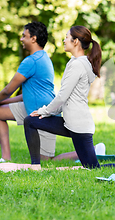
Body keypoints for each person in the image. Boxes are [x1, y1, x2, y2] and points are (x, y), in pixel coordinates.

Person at [23, 26, 101, 169]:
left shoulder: (78, 64)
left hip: (78, 126)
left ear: (76, 41)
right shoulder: (76, 62)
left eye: (66, 37)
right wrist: (45, 113)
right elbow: (65, 98)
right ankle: (35, 166)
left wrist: (44, 111)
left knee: (92, 167)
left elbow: (62, 96)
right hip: (71, 122)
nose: (64, 40)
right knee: (30, 121)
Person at [0, 21, 58, 162]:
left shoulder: (32, 61)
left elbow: (8, 89)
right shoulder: (43, 57)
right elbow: (25, 95)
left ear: (33, 38)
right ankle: (5, 158)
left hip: (44, 113)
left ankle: (92, 149)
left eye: (24, 36)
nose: (21, 39)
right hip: (30, 108)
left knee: (47, 161)